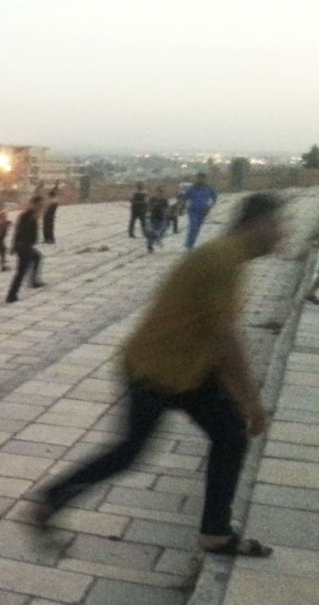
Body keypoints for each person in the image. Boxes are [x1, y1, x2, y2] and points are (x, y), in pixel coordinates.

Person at [34, 193, 284, 557]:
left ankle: (216, 531)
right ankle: (50, 500)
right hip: (156, 371)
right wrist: (252, 402)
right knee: (132, 452)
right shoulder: (223, 260)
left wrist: (232, 392)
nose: (282, 234)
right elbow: (226, 338)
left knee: (228, 435)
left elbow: (213, 333)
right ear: (256, 223)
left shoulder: (228, 258)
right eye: (278, 225)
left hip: (183, 370)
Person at [5, 196, 46, 303]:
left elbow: (17, 231)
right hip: (24, 247)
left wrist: (14, 246)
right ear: (34, 204)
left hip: (25, 246)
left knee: (37, 257)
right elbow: (19, 231)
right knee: (21, 272)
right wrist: (15, 246)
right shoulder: (29, 215)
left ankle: (33, 281)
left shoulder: (28, 215)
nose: (41, 207)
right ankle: (11, 295)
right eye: (40, 205)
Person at [184, 172, 219, 249]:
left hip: (203, 212)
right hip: (193, 211)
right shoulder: (192, 188)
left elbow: (214, 198)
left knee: (197, 229)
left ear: (205, 179)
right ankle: (189, 245)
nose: (201, 180)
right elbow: (184, 197)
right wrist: (181, 207)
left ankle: (190, 243)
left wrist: (211, 206)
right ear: (197, 178)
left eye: (202, 178)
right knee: (194, 226)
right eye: (199, 178)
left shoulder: (209, 188)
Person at [145, 186, 170, 253]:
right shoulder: (152, 199)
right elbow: (148, 208)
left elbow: (167, 209)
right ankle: (150, 246)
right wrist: (152, 207)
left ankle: (157, 239)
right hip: (153, 218)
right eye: (158, 191)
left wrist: (164, 210)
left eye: (161, 191)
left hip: (161, 218)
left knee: (161, 231)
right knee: (152, 232)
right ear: (156, 192)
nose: (160, 193)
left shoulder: (164, 200)